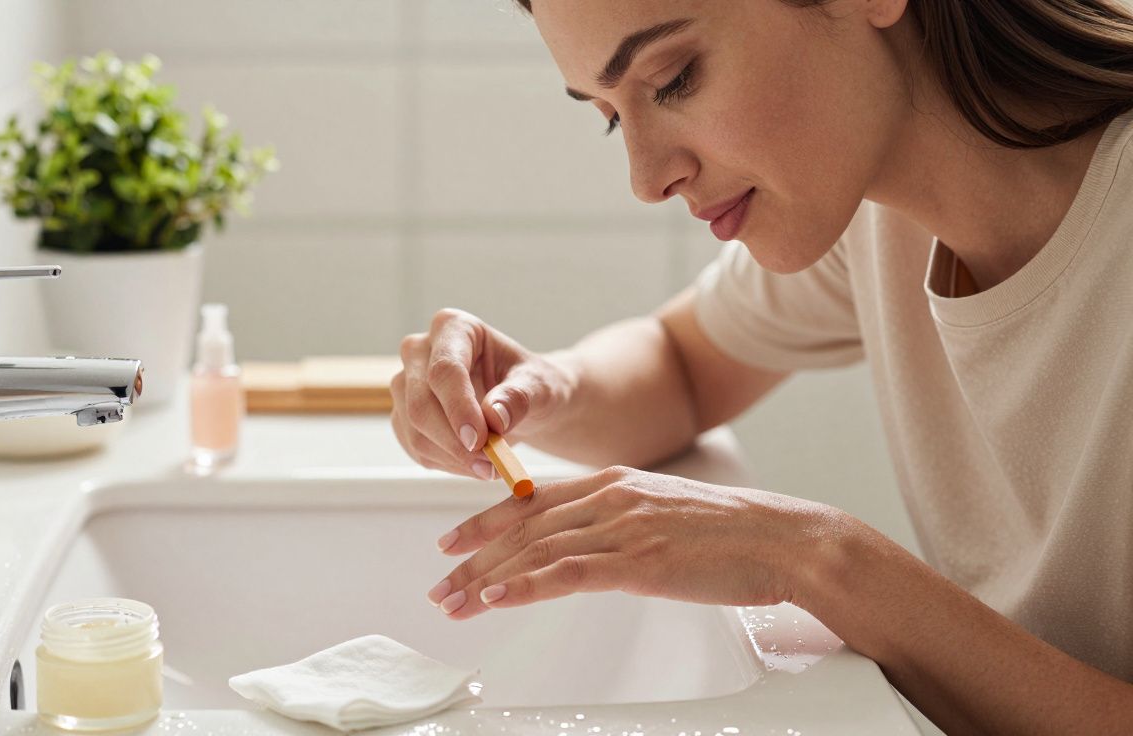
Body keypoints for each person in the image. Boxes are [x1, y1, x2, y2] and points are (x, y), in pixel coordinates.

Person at [389, 1, 1133, 733]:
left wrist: (817, 560)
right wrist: (539, 390)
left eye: (674, 77)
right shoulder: (872, 206)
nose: (647, 178)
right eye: (612, 116)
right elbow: (682, 365)